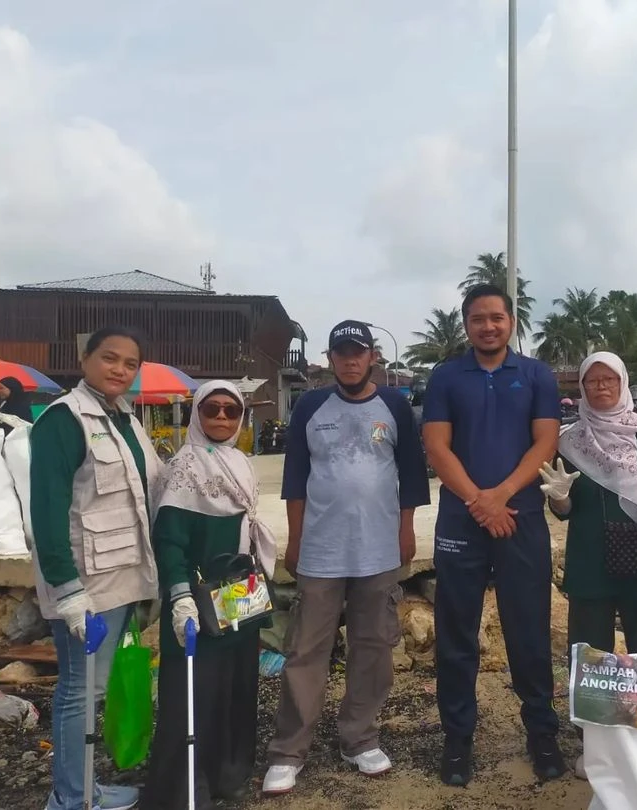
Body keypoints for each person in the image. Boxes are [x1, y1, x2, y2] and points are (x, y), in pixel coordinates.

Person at [263, 320, 430, 796]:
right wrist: (295, 540)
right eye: (341, 353)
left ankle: (358, 738)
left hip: (378, 551)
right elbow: (294, 478)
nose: (350, 360)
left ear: (372, 356)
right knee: (305, 650)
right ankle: (288, 750)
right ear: (331, 358)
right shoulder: (311, 406)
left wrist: (405, 532)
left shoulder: (395, 405)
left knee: (373, 646)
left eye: (358, 352)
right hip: (320, 551)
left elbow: (412, 478)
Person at [422, 283, 564, 786]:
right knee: (456, 633)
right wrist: (481, 504)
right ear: (467, 324)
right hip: (463, 520)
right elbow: (437, 447)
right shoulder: (445, 377)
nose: (488, 326)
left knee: (529, 631)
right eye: (479, 319)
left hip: (520, 516)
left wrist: (501, 494)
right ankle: (457, 738)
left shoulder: (536, 375)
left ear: (511, 322)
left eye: (497, 318)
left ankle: (541, 731)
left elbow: (546, 440)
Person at [29, 326, 161, 810]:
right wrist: (68, 591)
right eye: (109, 358)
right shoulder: (63, 421)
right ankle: (70, 797)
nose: (120, 370)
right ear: (84, 358)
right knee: (79, 692)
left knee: (95, 690)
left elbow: (151, 490)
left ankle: (86, 787)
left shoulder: (126, 419)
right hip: (86, 587)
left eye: (130, 364)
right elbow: (46, 509)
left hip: (123, 578)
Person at [539, 351, 637, 779]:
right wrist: (560, 498)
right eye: (592, 382)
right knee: (591, 653)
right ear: (581, 388)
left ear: (623, 383)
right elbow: (563, 509)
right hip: (590, 557)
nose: (601, 388)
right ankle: (596, 744)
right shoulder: (569, 440)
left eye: (609, 381)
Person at [141, 380, 277, 809]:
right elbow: (170, 541)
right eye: (212, 409)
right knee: (194, 690)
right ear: (196, 414)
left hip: (239, 588)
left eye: (230, 411)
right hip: (197, 597)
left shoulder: (239, 460)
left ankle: (230, 776)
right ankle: (185, 788)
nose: (221, 417)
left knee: (237, 684)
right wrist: (178, 595)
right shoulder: (183, 468)